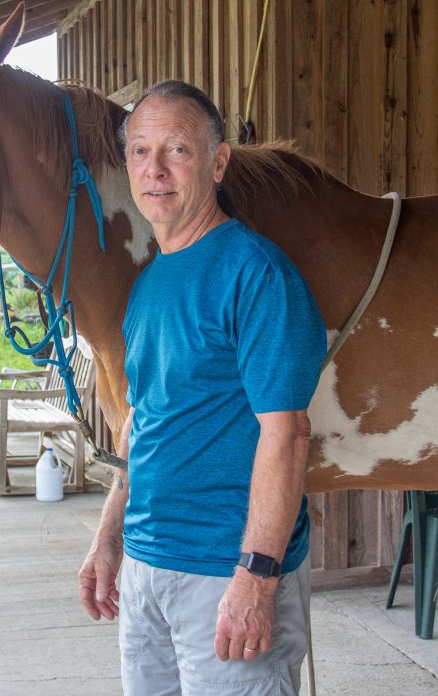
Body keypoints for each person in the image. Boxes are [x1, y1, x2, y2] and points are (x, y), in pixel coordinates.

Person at [78, 81, 326, 695]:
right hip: (146, 569)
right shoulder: (147, 289)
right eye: (139, 151)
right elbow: (145, 427)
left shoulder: (256, 273)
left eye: (177, 150)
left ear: (217, 163)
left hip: (225, 576)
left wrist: (256, 578)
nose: (153, 170)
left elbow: (287, 434)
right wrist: (110, 539)